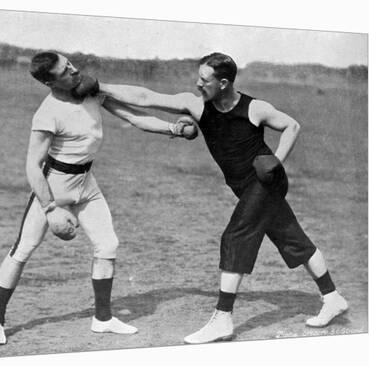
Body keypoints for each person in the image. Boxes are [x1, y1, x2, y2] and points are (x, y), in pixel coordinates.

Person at [96, 52, 349, 344]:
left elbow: (292, 126)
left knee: (235, 235)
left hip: (266, 181)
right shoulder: (198, 106)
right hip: (244, 185)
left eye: (204, 80)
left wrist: (276, 161)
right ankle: (333, 298)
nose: (198, 83)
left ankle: (223, 318)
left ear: (224, 82)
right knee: (290, 236)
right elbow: (144, 96)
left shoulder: (254, 108)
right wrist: (101, 88)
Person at [0, 51, 196, 345]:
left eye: (70, 64)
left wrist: (174, 129)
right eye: (65, 71)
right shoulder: (47, 113)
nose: (74, 70)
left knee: (107, 245)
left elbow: (134, 116)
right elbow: (32, 166)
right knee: (23, 249)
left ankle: (103, 319)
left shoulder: (91, 91)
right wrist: (51, 208)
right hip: (54, 185)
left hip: (86, 184)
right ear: (49, 81)